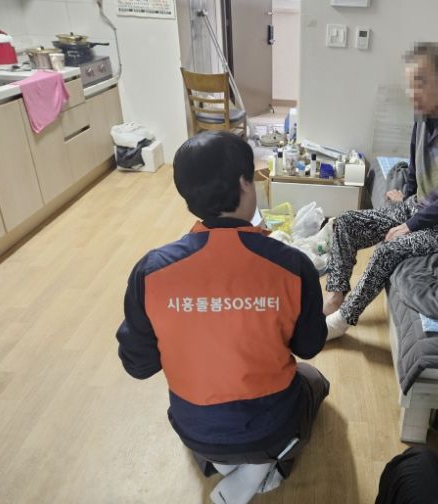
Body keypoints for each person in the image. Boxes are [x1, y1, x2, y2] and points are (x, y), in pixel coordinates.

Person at [116, 131, 329, 501]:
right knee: (313, 379)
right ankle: (262, 464)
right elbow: (309, 346)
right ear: (245, 184)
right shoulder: (292, 265)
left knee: (216, 425)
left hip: (195, 429)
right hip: (269, 426)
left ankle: (228, 463)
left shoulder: (151, 271)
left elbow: (139, 365)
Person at [323, 42, 438, 339]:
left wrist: (410, 224)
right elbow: (416, 156)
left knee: (387, 250)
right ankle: (336, 294)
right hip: (423, 204)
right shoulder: (425, 107)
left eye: (419, 82)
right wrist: (408, 194)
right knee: (344, 224)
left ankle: (341, 321)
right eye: (409, 84)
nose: (411, 93)